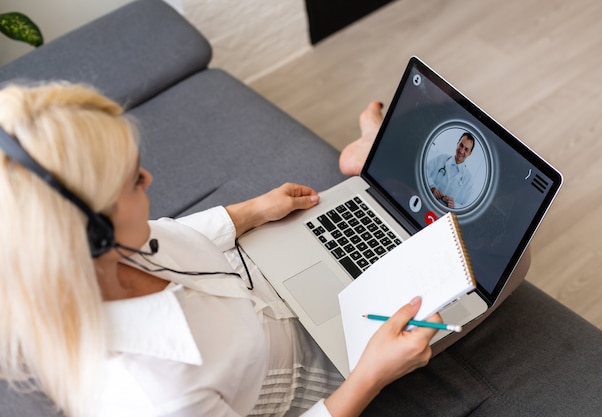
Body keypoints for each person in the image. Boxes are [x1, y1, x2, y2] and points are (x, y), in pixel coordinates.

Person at [0, 83, 442, 417]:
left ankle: (372, 160)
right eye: (134, 179)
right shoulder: (156, 396)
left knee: (373, 217)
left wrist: (250, 211)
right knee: (447, 275)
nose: (150, 178)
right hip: (314, 370)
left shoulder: (103, 249)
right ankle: (372, 156)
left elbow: (169, 234)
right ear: (91, 233)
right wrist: (372, 376)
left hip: (262, 281)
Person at [426, 133, 475, 209]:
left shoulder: (468, 179)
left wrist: (454, 205)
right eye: (461, 145)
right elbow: (424, 171)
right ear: (457, 143)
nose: (462, 151)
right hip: (427, 201)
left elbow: (466, 206)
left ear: (470, 153)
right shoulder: (441, 158)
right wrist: (432, 188)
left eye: (466, 149)